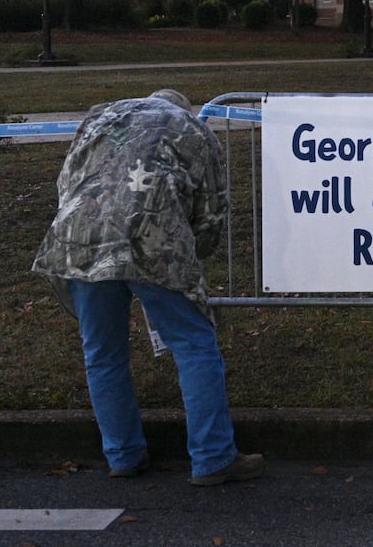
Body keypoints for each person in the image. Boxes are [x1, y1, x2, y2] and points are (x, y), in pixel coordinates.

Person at [32, 88, 264, 484]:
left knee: (103, 352)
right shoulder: (194, 129)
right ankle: (213, 457)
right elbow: (211, 210)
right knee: (193, 343)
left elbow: (67, 180)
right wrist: (194, 255)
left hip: (81, 237)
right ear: (183, 108)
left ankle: (122, 455)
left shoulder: (100, 118)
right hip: (152, 237)